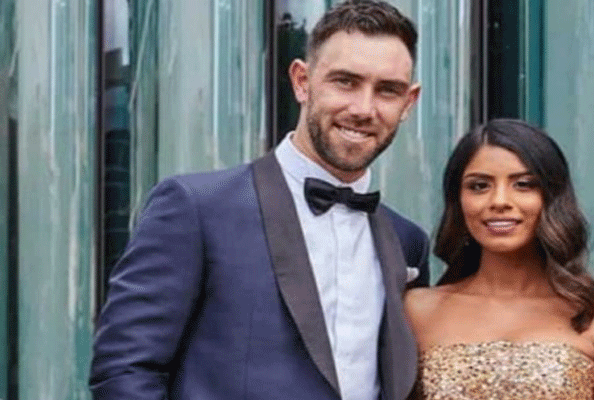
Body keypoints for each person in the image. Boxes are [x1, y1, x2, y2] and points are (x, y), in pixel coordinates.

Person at [90, 1, 429, 399]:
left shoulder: (407, 241)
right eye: (345, 82)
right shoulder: (197, 208)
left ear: (408, 103)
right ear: (301, 81)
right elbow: (124, 370)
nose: (363, 109)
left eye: (387, 90)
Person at [404, 119, 594, 400]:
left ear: (552, 197)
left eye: (523, 184)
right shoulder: (416, 310)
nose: (499, 201)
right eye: (479, 186)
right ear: (458, 200)